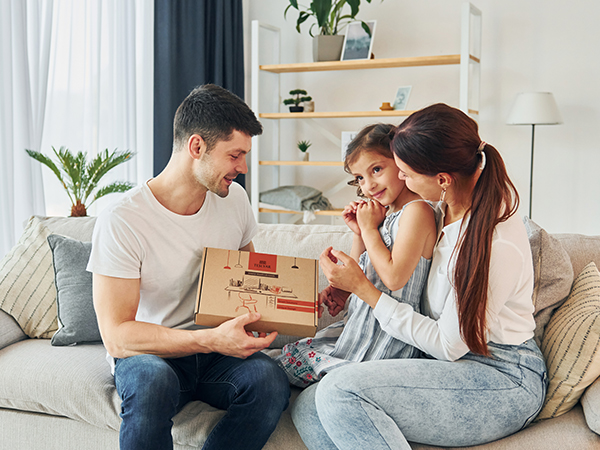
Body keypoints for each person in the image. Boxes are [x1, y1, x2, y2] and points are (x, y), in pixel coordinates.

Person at [291, 103, 548, 449]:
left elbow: (449, 345)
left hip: (501, 375)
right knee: (308, 404)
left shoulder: (493, 242)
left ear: (442, 180)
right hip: (451, 364)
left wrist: (364, 290)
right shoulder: (447, 209)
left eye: (407, 175)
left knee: (339, 389)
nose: (403, 183)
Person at [87, 84, 290, 450]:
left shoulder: (234, 201)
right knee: (151, 383)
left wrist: (305, 303)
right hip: (151, 353)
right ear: (197, 147)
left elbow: (250, 282)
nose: (243, 168)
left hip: (216, 355)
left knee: (269, 380)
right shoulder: (123, 220)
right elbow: (117, 335)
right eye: (235, 155)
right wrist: (208, 339)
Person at [274, 124, 436, 387]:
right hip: (361, 327)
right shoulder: (385, 213)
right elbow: (363, 270)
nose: (369, 185)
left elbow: (394, 278)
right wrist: (359, 234)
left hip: (386, 338)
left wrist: (370, 228)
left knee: (289, 372)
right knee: (284, 361)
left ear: (402, 162)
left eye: (376, 170)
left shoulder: (417, 211)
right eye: (360, 177)